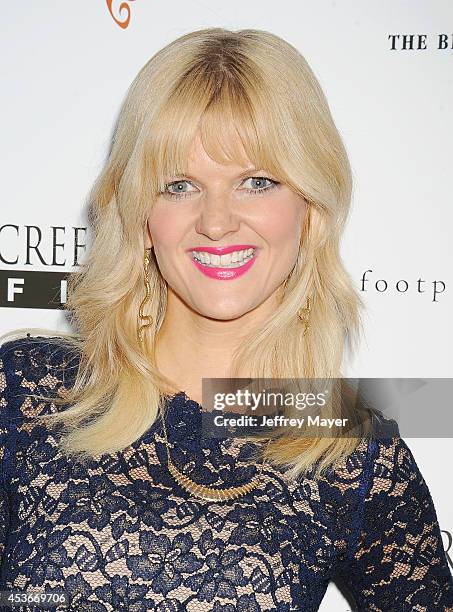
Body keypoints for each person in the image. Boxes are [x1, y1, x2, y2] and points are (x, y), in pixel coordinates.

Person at [1, 27, 452, 612]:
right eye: (180, 185)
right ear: (140, 216)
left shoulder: (350, 452)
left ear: (309, 211)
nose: (216, 221)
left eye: (256, 183)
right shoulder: (27, 390)